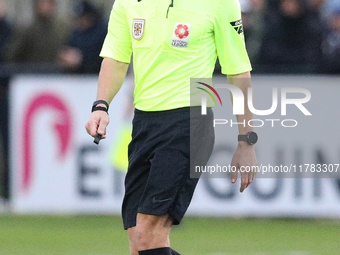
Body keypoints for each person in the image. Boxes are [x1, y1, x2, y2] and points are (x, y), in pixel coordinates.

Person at [85, 0, 257, 254]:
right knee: (138, 239)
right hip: (144, 122)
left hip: (189, 121)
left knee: (147, 233)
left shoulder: (220, 3)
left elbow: (238, 71)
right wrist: (101, 106)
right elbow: (117, 58)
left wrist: (246, 140)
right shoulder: (127, 2)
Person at [58, 0, 107, 74]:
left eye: (83, 17)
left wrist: (82, 60)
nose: (80, 21)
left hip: (97, 76)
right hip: (78, 78)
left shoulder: (103, 32)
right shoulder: (76, 33)